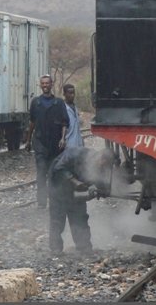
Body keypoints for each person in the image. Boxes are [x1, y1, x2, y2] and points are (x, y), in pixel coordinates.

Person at [48, 147, 115, 255]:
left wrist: (102, 190)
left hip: (76, 192)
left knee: (79, 217)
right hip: (58, 185)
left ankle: (84, 246)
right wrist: (75, 181)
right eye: (103, 164)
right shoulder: (75, 153)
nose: (102, 168)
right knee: (58, 218)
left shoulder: (100, 166)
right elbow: (58, 168)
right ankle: (56, 248)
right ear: (100, 157)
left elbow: (98, 180)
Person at [25, 74, 69, 209]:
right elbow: (32, 122)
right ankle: (41, 202)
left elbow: (64, 123)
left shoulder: (59, 103)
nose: (45, 85)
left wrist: (63, 138)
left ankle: (55, 200)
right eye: (43, 83)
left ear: (51, 84)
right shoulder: (35, 103)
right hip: (40, 143)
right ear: (40, 85)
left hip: (56, 144)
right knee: (41, 173)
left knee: (54, 173)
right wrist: (28, 140)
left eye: (47, 83)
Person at [60, 83, 85, 150]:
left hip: (78, 144)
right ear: (64, 94)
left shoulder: (75, 107)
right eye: (70, 93)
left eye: (73, 93)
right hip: (68, 145)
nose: (72, 95)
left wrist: (81, 140)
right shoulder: (62, 108)